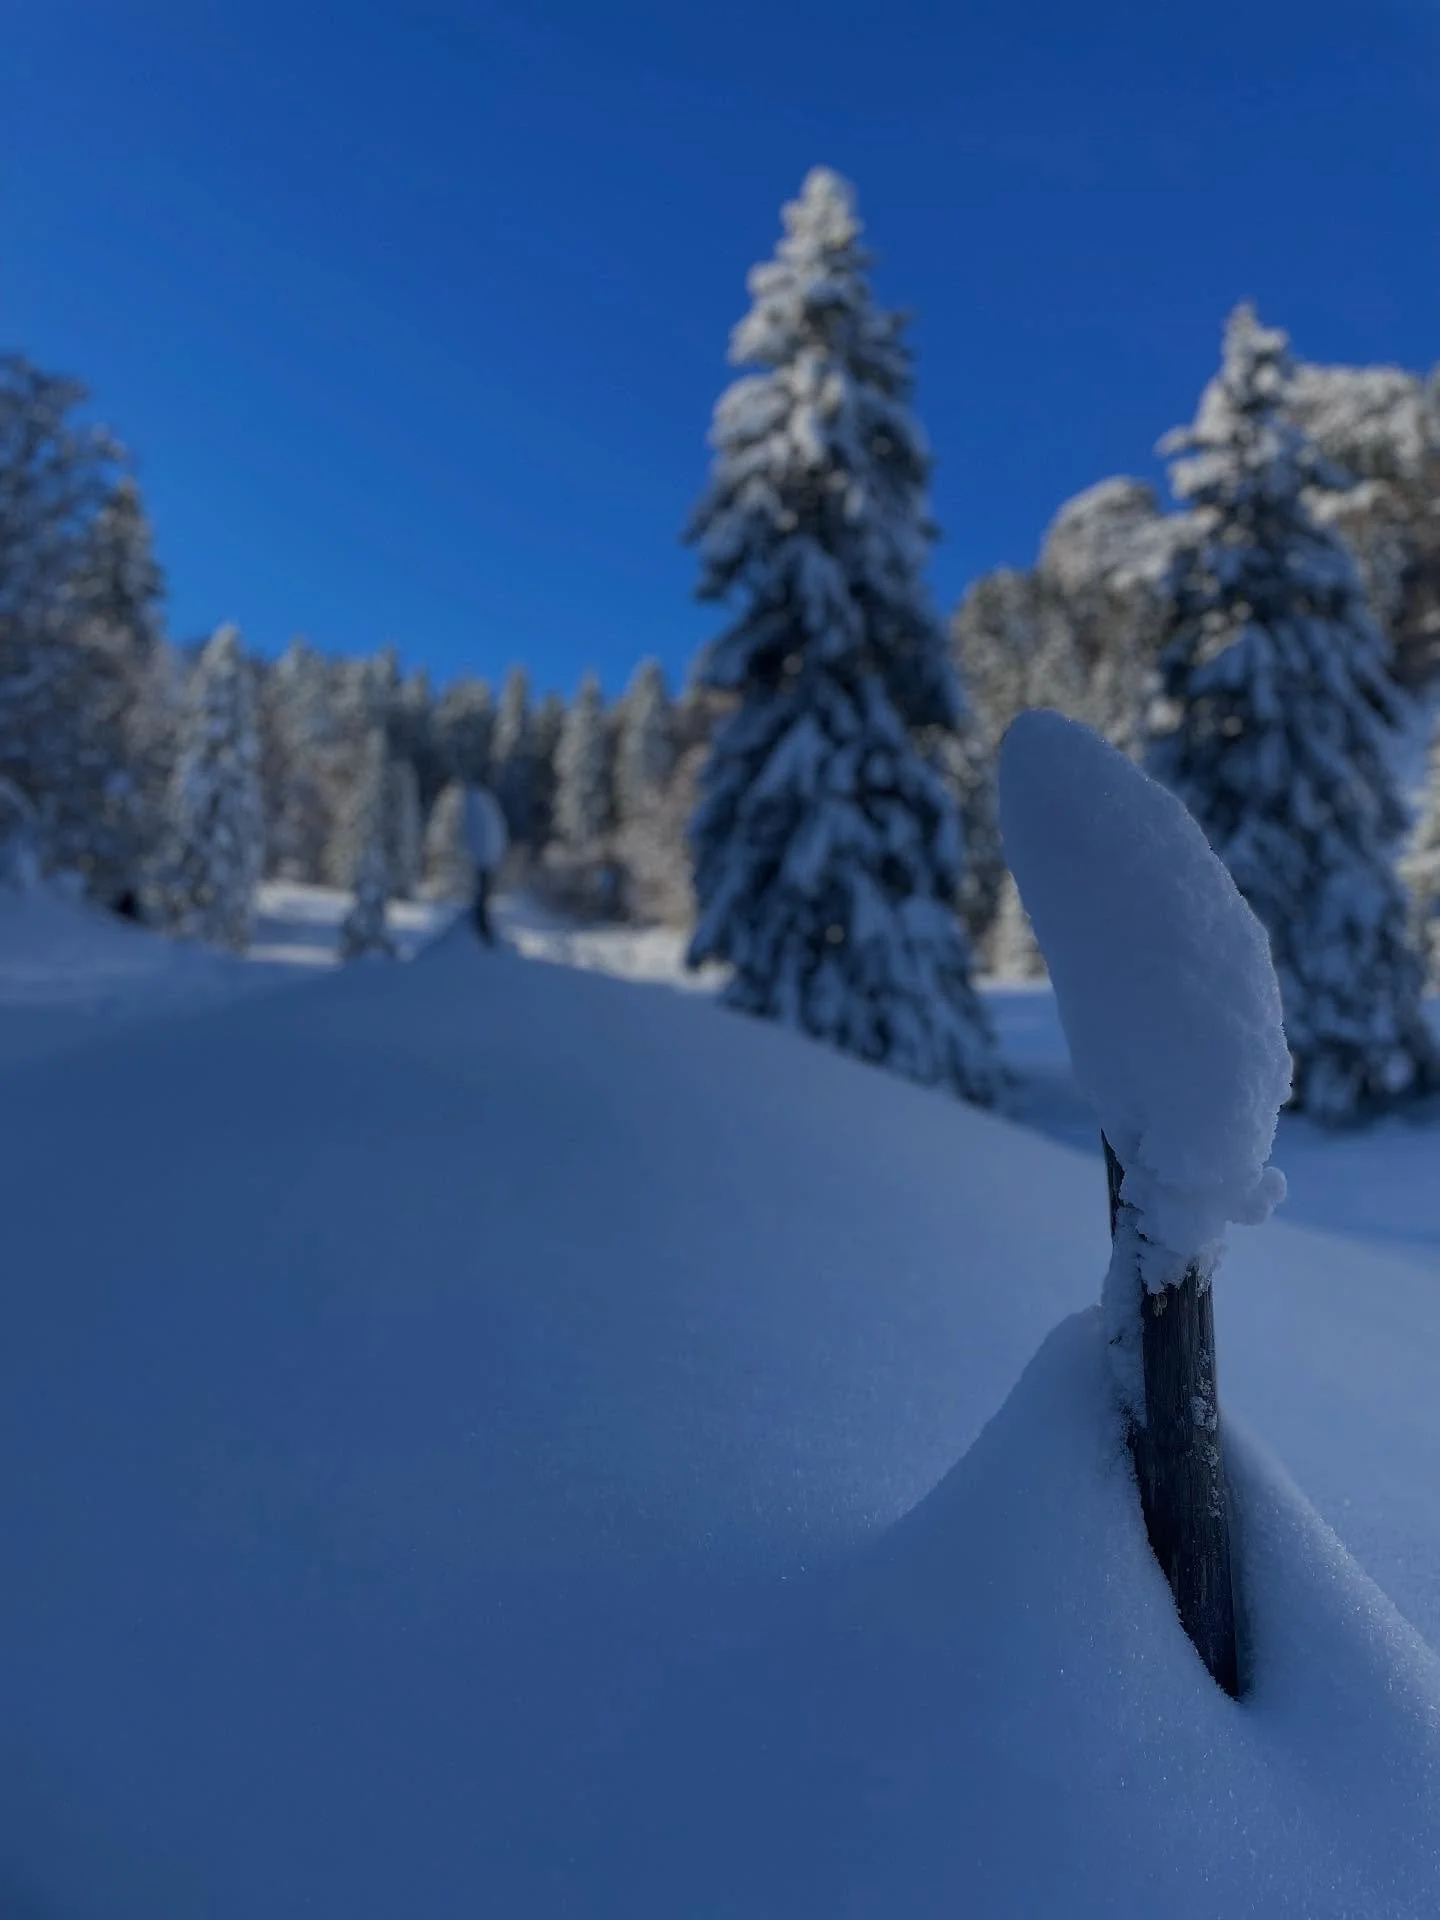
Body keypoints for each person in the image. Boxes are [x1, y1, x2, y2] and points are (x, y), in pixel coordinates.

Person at [462, 784, 509, 946]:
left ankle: (482, 929)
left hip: (484, 858)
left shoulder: (476, 802)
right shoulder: (482, 803)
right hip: (486, 859)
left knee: (482, 896)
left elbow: (475, 832)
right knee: (483, 896)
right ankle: (482, 929)